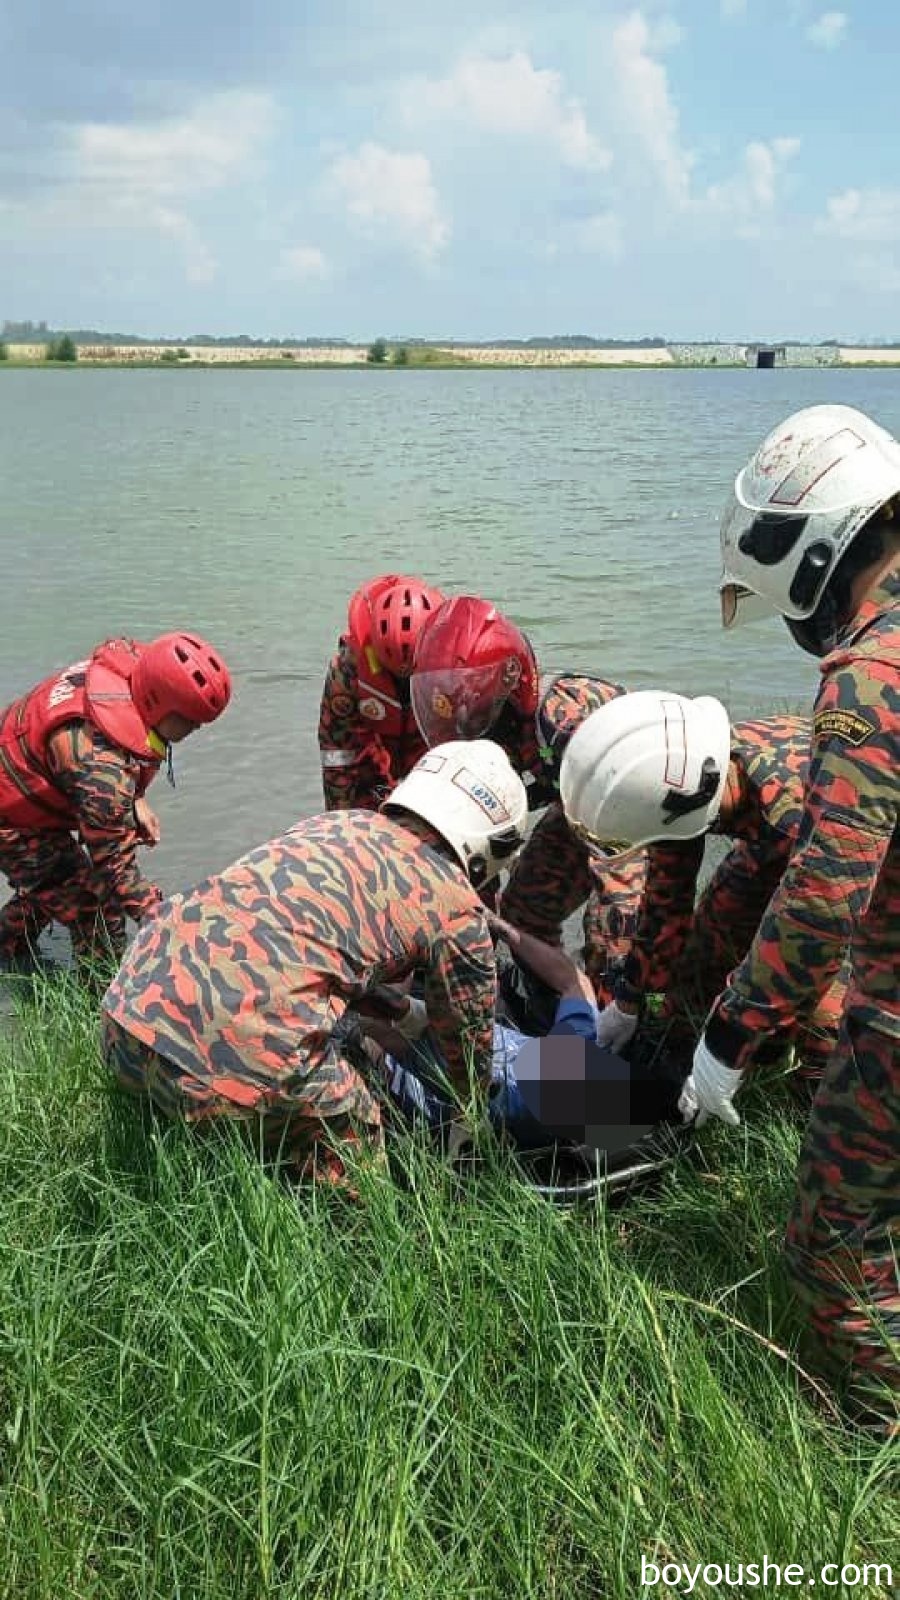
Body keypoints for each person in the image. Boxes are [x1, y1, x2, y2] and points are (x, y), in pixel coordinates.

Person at [678, 403, 900, 1429]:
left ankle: (882, 1439)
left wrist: (730, 1033)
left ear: (813, 554)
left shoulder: (872, 670)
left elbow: (826, 885)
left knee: (830, 1249)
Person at [101, 740, 529, 1188]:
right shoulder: (458, 907)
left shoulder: (338, 823)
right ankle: (353, 1243)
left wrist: (399, 1012)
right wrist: (469, 1121)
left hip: (126, 1021)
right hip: (230, 1060)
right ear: (488, 847)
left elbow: (304, 944)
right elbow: (469, 1041)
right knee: (362, 1150)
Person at [558, 690, 846, 1080]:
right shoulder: (691, 777)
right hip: (768, 840)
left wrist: (735, 1042)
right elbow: (665, 909)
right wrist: (628, 1001)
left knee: (826, 1013)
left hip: (853, 871)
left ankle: (817, 1113)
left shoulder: (796, 814)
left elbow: (818, 943)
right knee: (703, 957)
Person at [409, 595, 646, 996]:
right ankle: (552, 1012)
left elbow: (622, 866)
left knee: (612, 941)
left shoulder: (562, 722)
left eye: (475, 696)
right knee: (522, 913)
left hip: (637, 813)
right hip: (575, 808)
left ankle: (615, 1032)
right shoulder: (491, 734)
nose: (464, 713)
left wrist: (620, 983)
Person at [0, 633, 231, 974]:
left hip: (28, 775)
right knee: (92, 906)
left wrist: (134, 799)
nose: (196, 728)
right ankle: (99, 1004)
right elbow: (115, 868)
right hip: (13, 817)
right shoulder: (100, 769)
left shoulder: (137, 672)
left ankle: (8, 953)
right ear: (161, 705)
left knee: (57, 883)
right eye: (190, 721)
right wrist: (170, 924)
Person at [318, 573, 445, 809]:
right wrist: (340, 816)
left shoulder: (452, 661)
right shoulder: (347, 670)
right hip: (372, 761)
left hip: (429, 764)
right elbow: (336, 753)